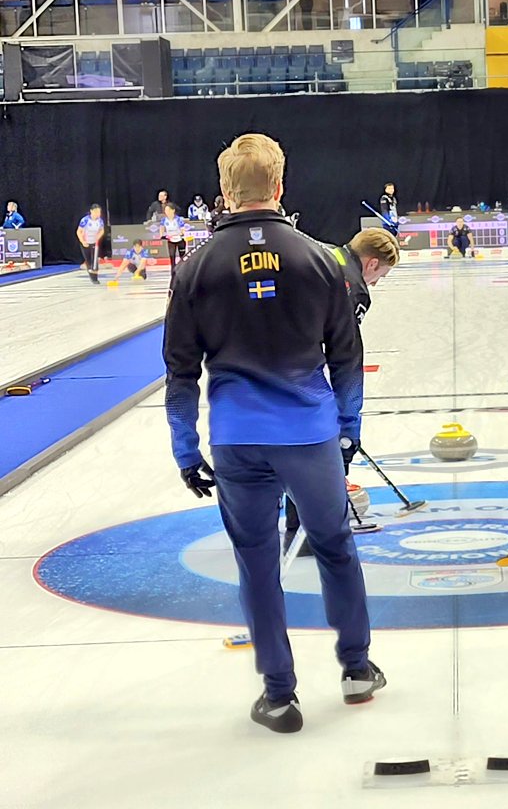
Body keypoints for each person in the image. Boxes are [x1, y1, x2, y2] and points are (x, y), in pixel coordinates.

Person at [163, 133, 384, 735]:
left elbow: (181, 373)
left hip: (237, 437)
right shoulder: (322, 260)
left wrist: (186, 449)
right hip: (308, 434)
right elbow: (346, 358)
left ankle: (280, 695)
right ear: (280, 187)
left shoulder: (193, 269)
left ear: (226, 193)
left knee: (257, 563)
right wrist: (347, 433)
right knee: (335, 545)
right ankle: (357, 668)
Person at [284, 226, 402, 555]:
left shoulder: (324, 249)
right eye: (381, 276)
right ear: (373, 264)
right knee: (317, 444)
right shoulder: (353, 288)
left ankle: (294, 528)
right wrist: (350, 425)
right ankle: (314, 533)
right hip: (295, 368)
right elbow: (347, 360)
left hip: (253, 356)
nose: (376, 283)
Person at [76, 203, 105, 284]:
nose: (97, 214)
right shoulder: (85, 220)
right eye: (96, 212)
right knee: (88, 261)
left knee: (95, 260)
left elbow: (102, 230)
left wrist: (98, 237)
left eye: (99, 212)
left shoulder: (100, 221)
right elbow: (79, 231)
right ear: (91, 211)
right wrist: (82, 241)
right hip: (85, 242)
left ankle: (95, 278)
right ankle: (92, 277)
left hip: (94, 243)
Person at [159, 202, 188, 275]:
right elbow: (161, 229)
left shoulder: (178, 219)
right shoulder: (164, 220)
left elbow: (183, 230)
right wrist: (163, 235)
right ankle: (173, 271)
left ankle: (183, 270)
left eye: (168, 210)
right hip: (171, 240)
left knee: (182, 256)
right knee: (172, 256)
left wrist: (179, 234)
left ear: (173, 210)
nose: (167, 212)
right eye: (165, 210)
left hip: (180, 240)